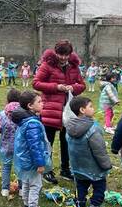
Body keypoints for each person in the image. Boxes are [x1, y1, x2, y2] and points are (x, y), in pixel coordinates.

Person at [33, 40, 85, 184]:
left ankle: (65, 169)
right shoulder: (47, 65)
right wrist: (57, 87)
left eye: (66, 54)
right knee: (48, 142)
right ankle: (47, 170)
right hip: (50, 109)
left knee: (67, 141)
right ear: (56, 53)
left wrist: (73, 87)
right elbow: (36, 83)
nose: (63, 57)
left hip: (68, 110)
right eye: (60, 54)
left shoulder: (74, 67)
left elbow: (82, 85)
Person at [66, 96, 111, 207]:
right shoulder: (93, 128)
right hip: (94, 167)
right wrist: (106, 165)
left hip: (77, 166)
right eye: (90, 106)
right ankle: (95, 206)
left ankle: (80, 206)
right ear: (82, 110)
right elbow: (99, 150)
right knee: (100, 186)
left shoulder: (69, 127)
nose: (93, 108)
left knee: (81, 186)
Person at [13, 91, 52, 207]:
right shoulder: (32, 123)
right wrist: (40, 163)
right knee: (35, 185)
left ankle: (27, 205)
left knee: (26, 182)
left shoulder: (26, 120)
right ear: (30, 106)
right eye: (39, 102)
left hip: (24, 159)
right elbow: (34, 146)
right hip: (31, 160)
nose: (43, 104)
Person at [0, 88, 21, 197]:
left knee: (6, 166)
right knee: (20, 167)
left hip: (6, 145)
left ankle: (5, 189)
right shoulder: (24, 113)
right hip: (20, 146)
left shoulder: (2, 114)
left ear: (7, 100)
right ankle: (22, 189)